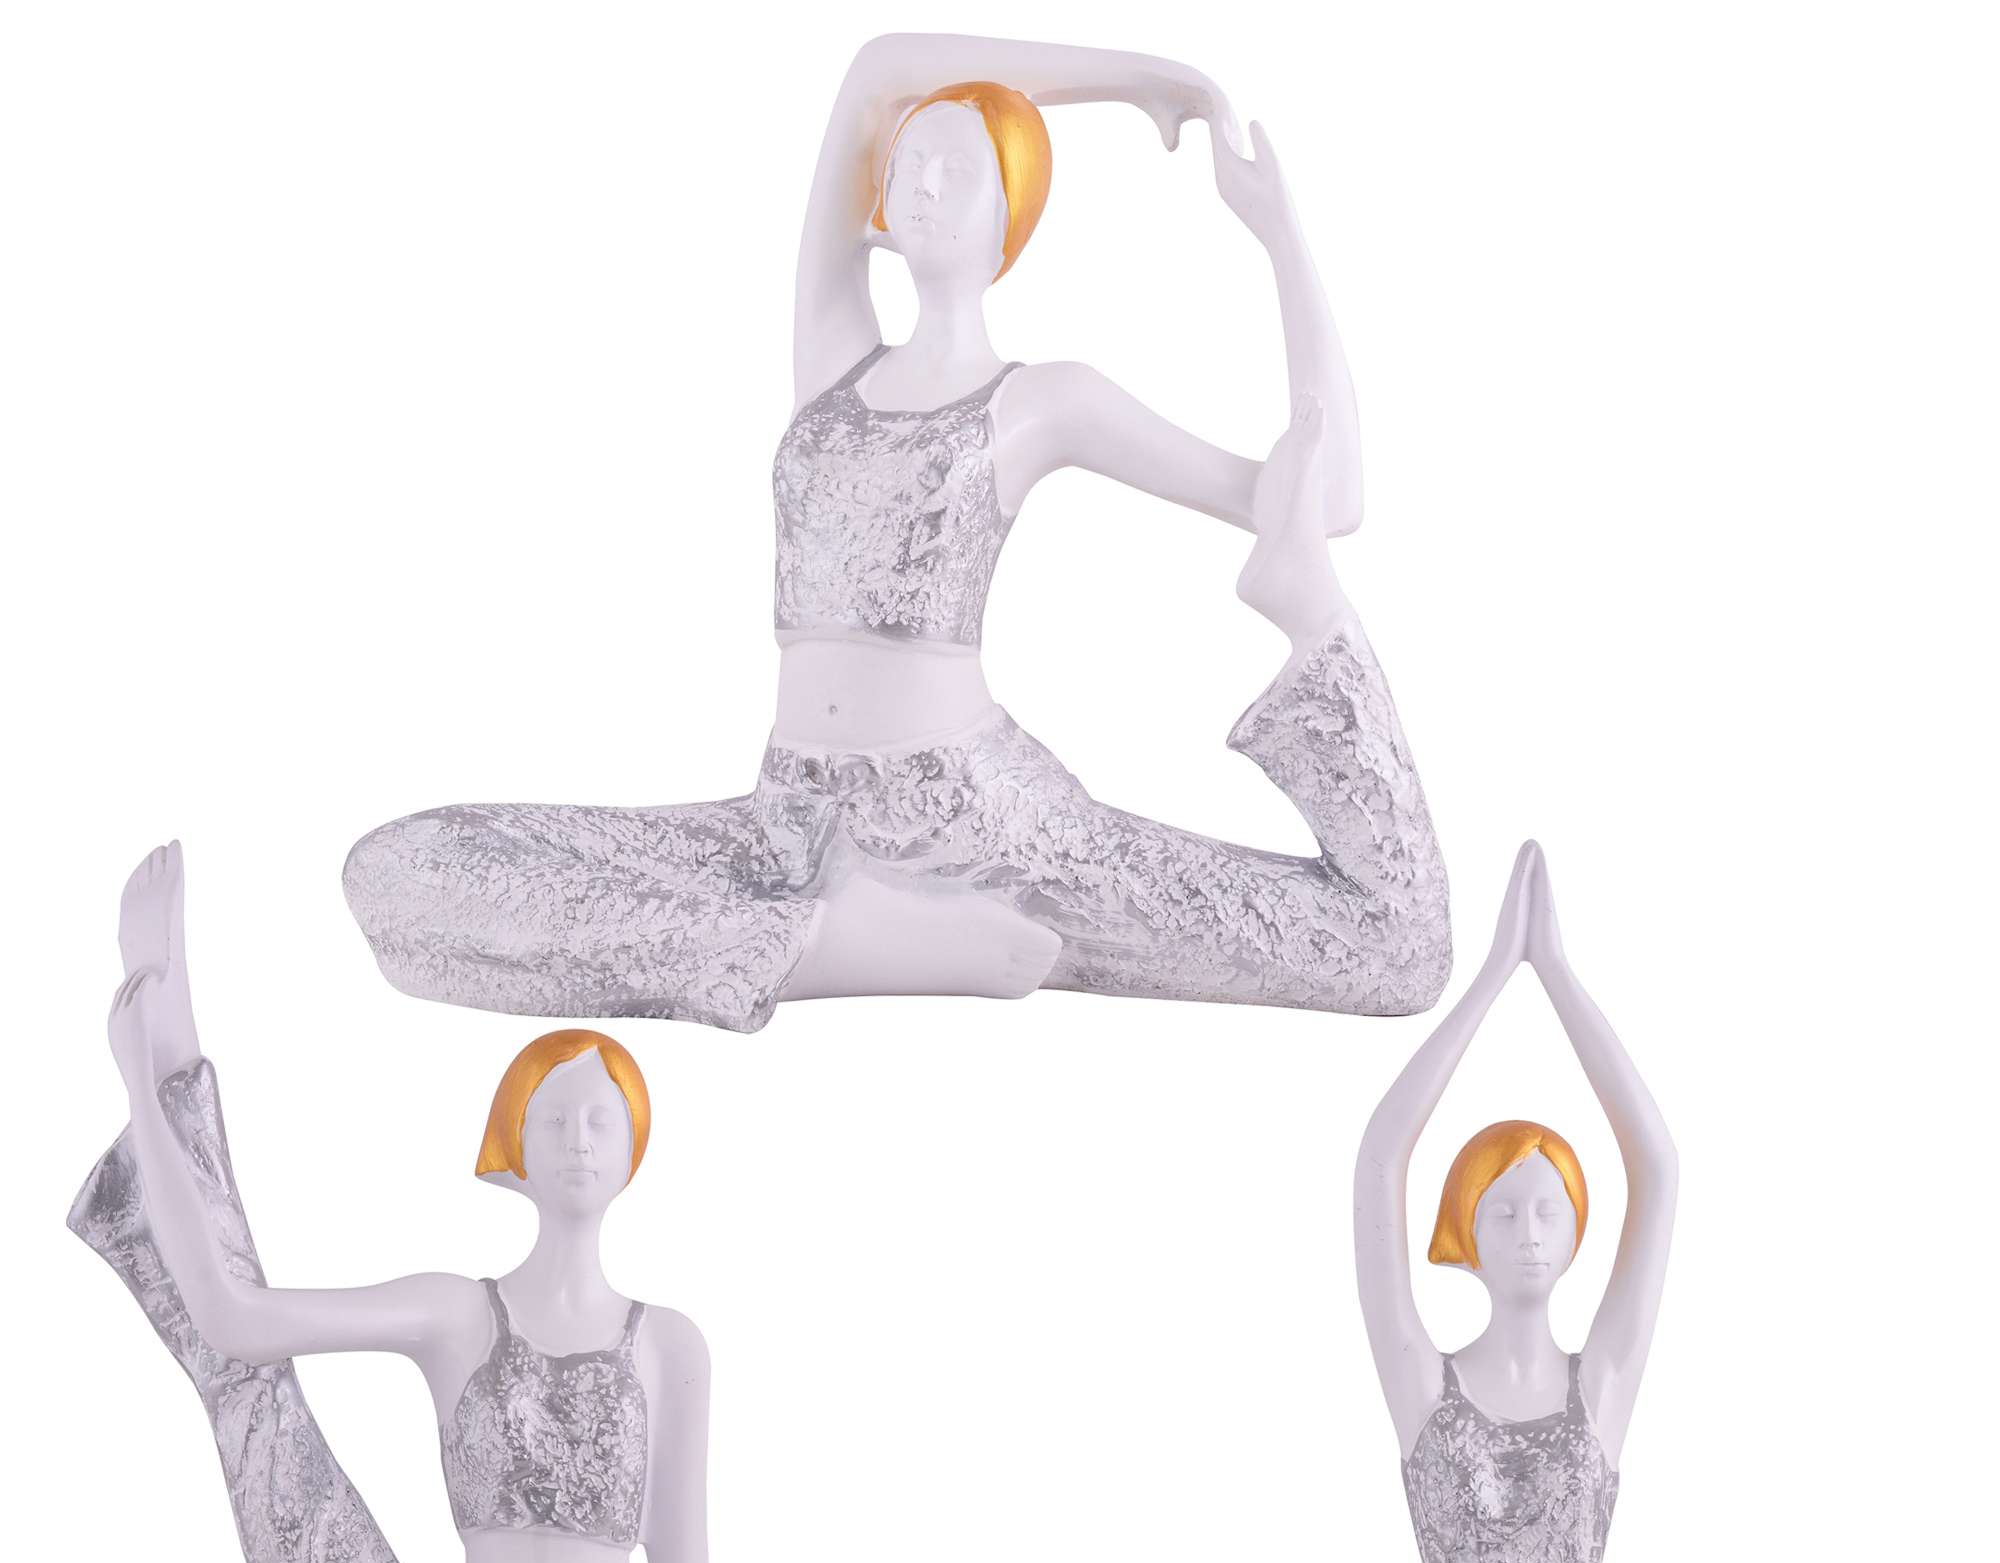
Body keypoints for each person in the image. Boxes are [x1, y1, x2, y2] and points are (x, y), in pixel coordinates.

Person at [342, 33, 1448, 1032]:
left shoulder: (1042, 400)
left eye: (956, 169)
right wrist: (1131, 79)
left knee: (1386, 953)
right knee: (402, 871)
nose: (920, 185)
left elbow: (1329, 495)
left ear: (1011, 212)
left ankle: (840, 939)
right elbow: (877, 67)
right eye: (909, 163)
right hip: (788, 829)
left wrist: (1277, 236)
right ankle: (842, 947)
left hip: (986, 832)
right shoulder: (833, 360)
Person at [72, 844, 849, 1563]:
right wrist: (145, 1092)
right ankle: (173, 1032)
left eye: (600, 1120)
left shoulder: (669, 1346)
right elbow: (239, 1318)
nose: (577, 1142)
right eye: (553, 1119)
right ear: (512, 1144)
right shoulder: (456, 1312)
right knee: (255, 1398)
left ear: (635, 1145)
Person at [1215, 843, 1843, 1563]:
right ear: (1464, 1225)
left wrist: (1557, 974)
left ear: (1578, 1229)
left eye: (1549, 1209)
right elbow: (1379, 1161)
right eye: (1502, 1210)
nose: (1529, 1231)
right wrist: (1487, 983)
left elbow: (1658, 1167)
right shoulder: (1427, 1384)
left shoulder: (1600, 1389)